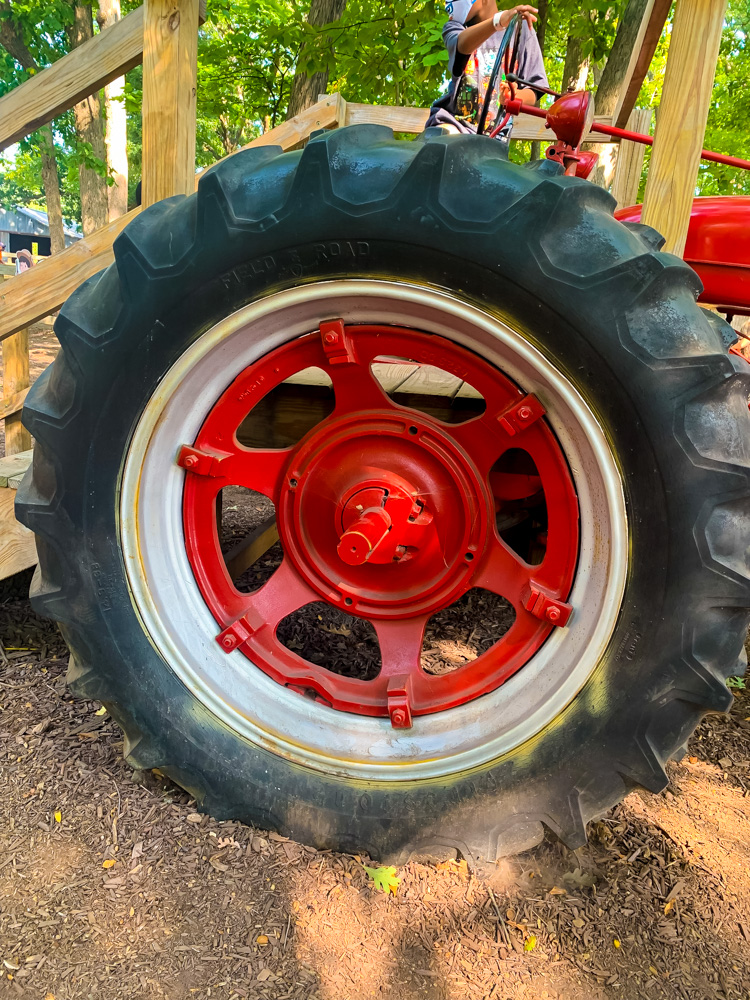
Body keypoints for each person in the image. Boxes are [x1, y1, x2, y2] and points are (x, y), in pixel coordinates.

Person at [426, 2, 548, 140]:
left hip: (495, 137)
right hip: (454, 125)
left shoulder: (521, 28)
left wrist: (513, 96)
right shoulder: (455, 27)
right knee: (446, 142)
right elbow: (462, 45)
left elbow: (534, 89)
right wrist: (498, 22)